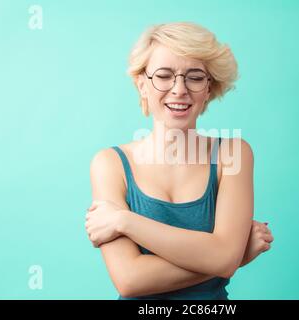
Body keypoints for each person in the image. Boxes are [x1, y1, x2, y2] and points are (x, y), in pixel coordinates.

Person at [85, 22, 274, 300]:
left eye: (194, 77)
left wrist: (125, 221)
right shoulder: (110, 164)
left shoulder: (233, 154)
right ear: (142, 85)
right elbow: (130, 280)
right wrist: (229, 257)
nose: (179, 89)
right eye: (163, 76)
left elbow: (224, 259)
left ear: (208, 88)